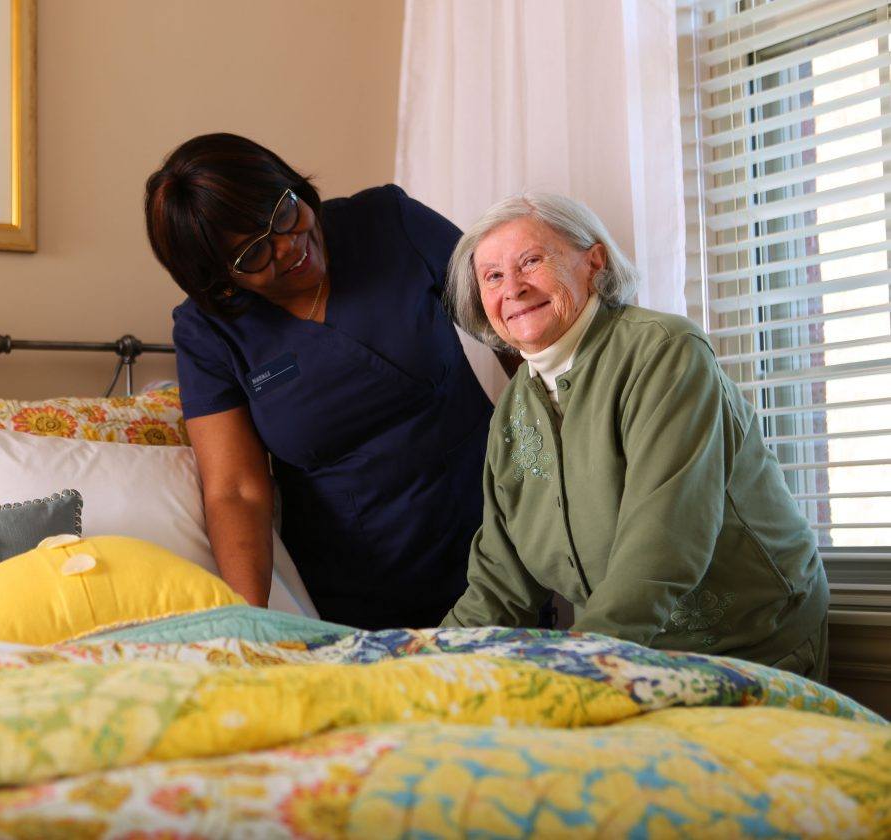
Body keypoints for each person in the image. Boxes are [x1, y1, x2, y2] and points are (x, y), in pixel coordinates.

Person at [440, 191, 829, 678]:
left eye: (531, 261)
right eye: (493, 276)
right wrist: (429, 663)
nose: (512, 288)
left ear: (593, 261)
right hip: (627, 655)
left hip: (749, 645)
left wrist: (582, 664)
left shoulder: (665, 352)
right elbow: (500, 581)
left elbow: (664, 540)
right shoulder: (514, 409)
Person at [144, 133, 496, 629]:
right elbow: (237, 489)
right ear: (221, 280)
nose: (289, 247)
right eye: (253, 254)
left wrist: (553, 477)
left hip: (492, 545)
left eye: (283, 212)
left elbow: (516, 332)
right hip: (359, 591)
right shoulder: (209, 332)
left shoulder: (390, 222)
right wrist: (249, 618)